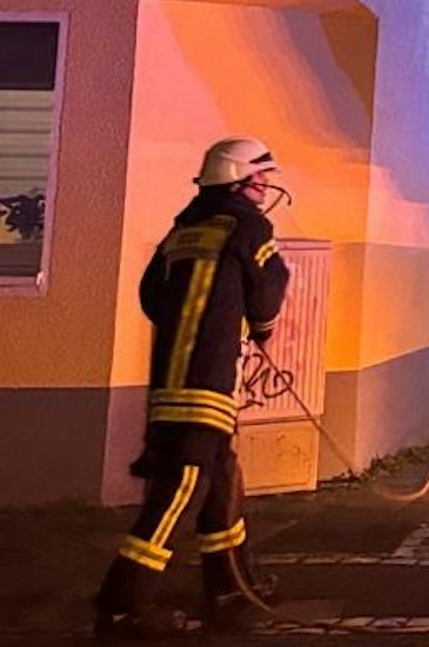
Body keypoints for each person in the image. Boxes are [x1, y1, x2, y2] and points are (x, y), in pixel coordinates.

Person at [94, 137, 291, 638]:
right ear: (237, 181)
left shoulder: (183, 230)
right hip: (206, 385)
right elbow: (268, 291)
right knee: (179, 491)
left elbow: (152, 297)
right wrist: (254, 330)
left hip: (171, 385)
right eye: (260, 180)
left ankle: (228, 584)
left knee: (220, 483)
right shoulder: (247, 227)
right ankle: (122, 604)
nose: (265, 189)